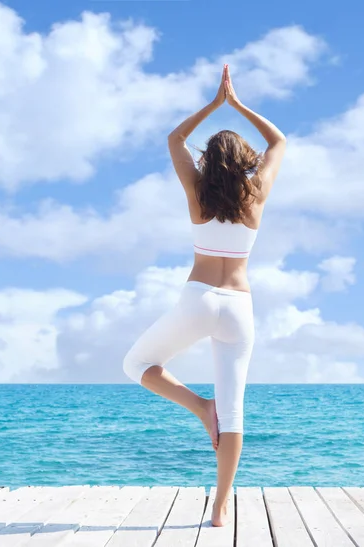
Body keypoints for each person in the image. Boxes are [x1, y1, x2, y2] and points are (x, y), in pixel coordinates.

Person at [122, 64, 286, 527]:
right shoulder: (256, 196)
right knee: (234, 410)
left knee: (136, 365)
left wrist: (214, 105)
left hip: (198, 300)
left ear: (209, 163)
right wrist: (238, 105)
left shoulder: (197, 193)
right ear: (244, 161)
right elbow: (279, 142)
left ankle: (199, 408)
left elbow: (175, 140)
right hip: (239, 306)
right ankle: (220, 507)